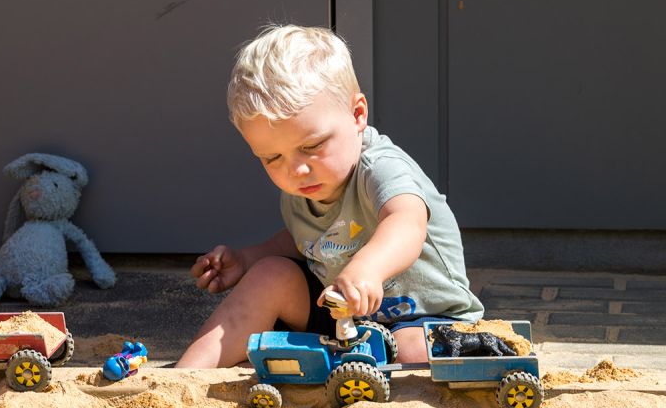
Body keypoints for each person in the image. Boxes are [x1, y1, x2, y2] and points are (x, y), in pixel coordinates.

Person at [175, 25, 483, 368]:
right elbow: (308, 241)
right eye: (272, 158)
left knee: (409, 349)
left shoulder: (380, 168)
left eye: (312, 146)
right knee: (268, 275)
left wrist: (368, 269)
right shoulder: (303, 185)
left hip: (425, 319)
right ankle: (181, 382)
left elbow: (406, 222)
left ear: (357, 115)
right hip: (342, 317)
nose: (296, 170)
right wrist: (248, 260)